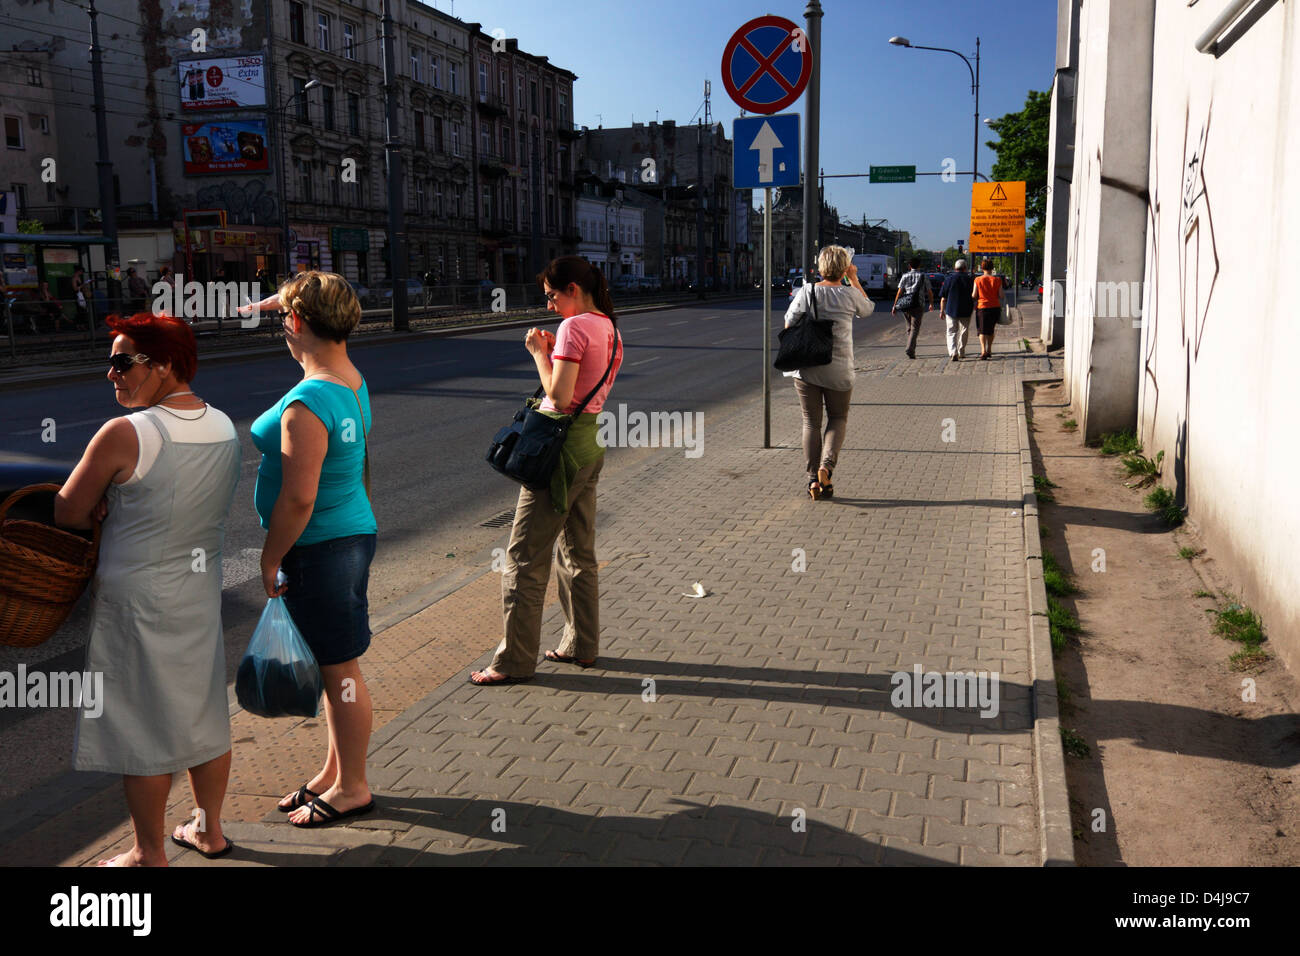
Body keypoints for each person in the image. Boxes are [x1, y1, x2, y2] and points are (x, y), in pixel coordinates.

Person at [54, 311, 241, 865]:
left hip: (135, 600)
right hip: (197, 592)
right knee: (203, 713)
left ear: (161, 366)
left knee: (141, 729)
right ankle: (209, 832)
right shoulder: (224, 424)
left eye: (121, 362)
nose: (111, 374)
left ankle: (148, 853)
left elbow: (68, 510)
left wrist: (107, 504)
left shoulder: (127, 433)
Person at [242, 271, 378, 828]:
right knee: (332, 664)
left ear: (297, 322)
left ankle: (353, 788)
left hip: (318, 544)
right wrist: (290, 302)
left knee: (340, 669)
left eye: (284, 319)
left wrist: (270, 557)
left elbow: (299, 498)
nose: (280, 327)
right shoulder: (349, 379)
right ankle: (332, 771)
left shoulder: (305, 402)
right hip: (349, 533)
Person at [470, 256, 623, 685]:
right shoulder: (609, 326)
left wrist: (541, 352)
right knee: (578, 551)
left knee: (523, 558)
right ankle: (582, 645)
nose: (551, 306)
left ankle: (514, 662)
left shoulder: (575, 329)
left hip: (559, 456)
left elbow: (559, 393)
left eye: (553, 296)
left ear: (573, 288)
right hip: (590, 445)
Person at [784, 245, 872, 500]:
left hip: (808, 367)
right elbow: (867, 310)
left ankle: (813, 480)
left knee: (810, 422)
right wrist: (853, 279)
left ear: (820, 267)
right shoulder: (849, 294)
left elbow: (789, 322)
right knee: (838, 418)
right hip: (839, 368)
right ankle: (827, 468)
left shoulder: (807, 291)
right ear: (844, 268)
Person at [891, 258, 932, 359]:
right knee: (915, 328)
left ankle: (911, 350)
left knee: (909, 328)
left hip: (905, 304)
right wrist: (931, 303)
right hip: (918, 304)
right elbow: (929, 291)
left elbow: (899, 291)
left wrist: (894, 305)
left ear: (909, 266)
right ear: (919, 265)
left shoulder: (905, 276)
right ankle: (910, 349)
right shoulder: (923, 276)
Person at [938, 259, 976, 361]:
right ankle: (961, 351)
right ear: (965, 268)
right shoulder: (970, 280)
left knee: (951, 331)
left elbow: (943, 297)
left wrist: (942, 310)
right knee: (964, 330)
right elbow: (974, 295)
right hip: (966, 309)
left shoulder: (949, 280)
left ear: (955, 269)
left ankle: (953, 352)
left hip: (951, 309)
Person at [973, 259, 1003, 360]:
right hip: (995, 307)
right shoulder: (997, 280)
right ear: (992, 268)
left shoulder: (977, 280)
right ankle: (989, 349)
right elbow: (1001, 295)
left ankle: (983, 350)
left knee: (982, 330)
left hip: (982, 307)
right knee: (990, 330)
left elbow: (974, 295)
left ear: (982, 268)